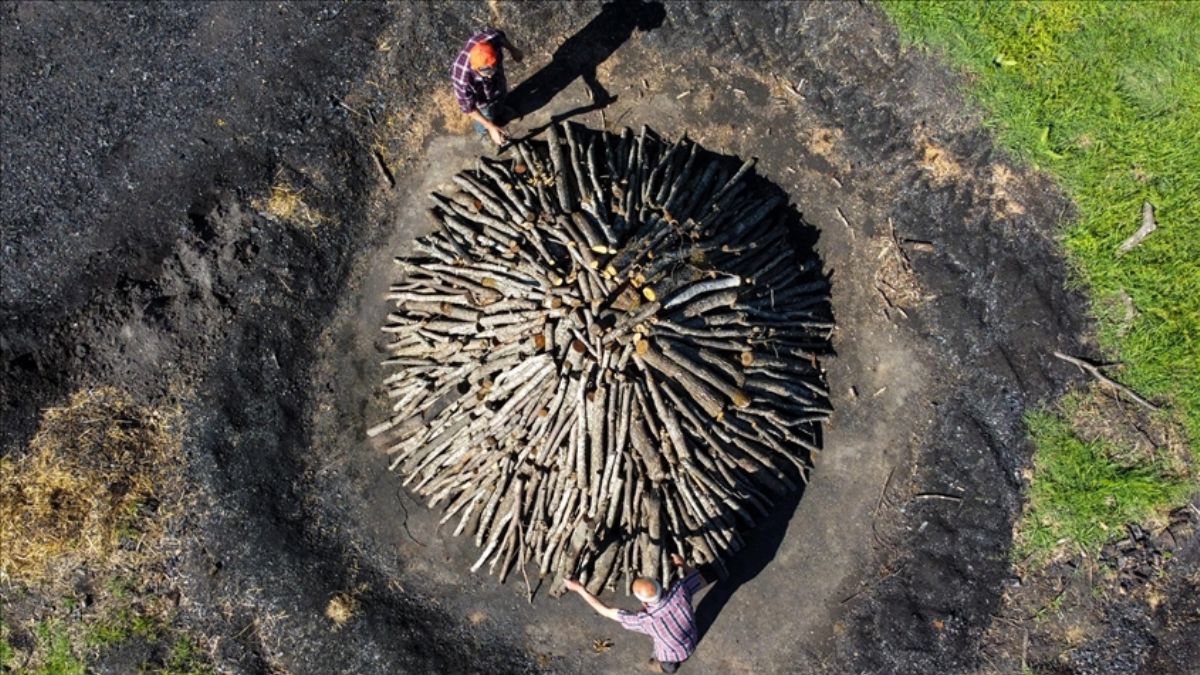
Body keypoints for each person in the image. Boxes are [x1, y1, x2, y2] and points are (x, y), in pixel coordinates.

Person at [564, 553, 715, 673]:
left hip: (670, 656)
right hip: (691, 640)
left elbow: (606, 612)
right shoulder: (680, 591)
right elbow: (700, 579)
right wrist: (682, 563)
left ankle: (662, 668)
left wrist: (580, 589)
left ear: (644, 601)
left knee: (667, 667)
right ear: (660, 587)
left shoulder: (645, 620)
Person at [450, 27, 524, 146]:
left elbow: (501, 37)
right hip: (481, 99)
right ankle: (484, 133)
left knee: (502, 94)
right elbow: (468, 108)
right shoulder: (462, 77)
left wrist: (513, 50)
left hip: (497, 85)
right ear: (475, 68)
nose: (490, 76)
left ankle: (501, 112)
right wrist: (490, 127)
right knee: (487, 113)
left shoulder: (491, 38)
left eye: (493, 70)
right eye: (487, 73)